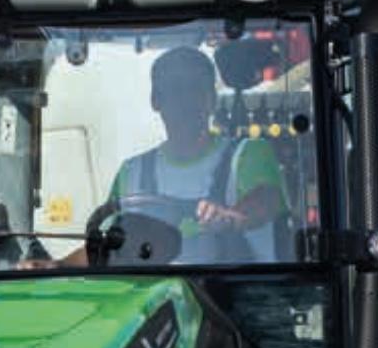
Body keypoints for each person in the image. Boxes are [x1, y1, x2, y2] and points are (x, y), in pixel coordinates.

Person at [99, 45, 285, 262]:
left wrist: (230, 217)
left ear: (212, 99)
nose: (186, 100)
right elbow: (106, 244)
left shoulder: (249, 153)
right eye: (175, 89)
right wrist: (67, 265)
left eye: (196, 89)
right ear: (155, 100)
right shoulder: (131, 172)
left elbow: (265, 200)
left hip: (230, 285)